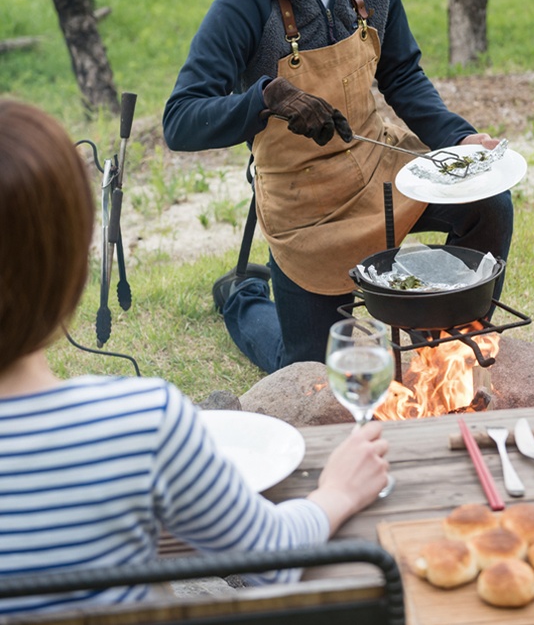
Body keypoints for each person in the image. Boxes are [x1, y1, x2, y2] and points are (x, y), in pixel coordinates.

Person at [0, 98, 389, 617]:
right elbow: (269, 558)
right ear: (70, 267)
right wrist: (337, 492)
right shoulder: (139, 423)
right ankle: (242, 299)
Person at [163, 0, 513, 374]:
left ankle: (442, 339)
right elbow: (179, 121)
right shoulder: (244, 3)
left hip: (382, 169)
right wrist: (267, 98)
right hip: (307, 208)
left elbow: (402, 74)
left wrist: (459, 139)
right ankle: (242, 296)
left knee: (487, 201)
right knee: (312, 376)